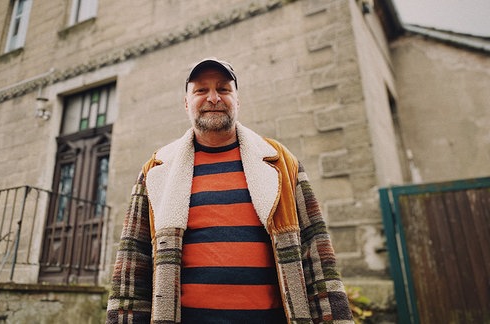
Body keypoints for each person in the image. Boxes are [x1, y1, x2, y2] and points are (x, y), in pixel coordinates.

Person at [107, 58, 353, 323]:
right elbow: (131, 272)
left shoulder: (281, 163)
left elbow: (317, 257)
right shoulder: (156, 170)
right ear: (186, 103)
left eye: (224, 89)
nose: (214, 98)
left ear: (238, 100)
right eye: (201, 90)